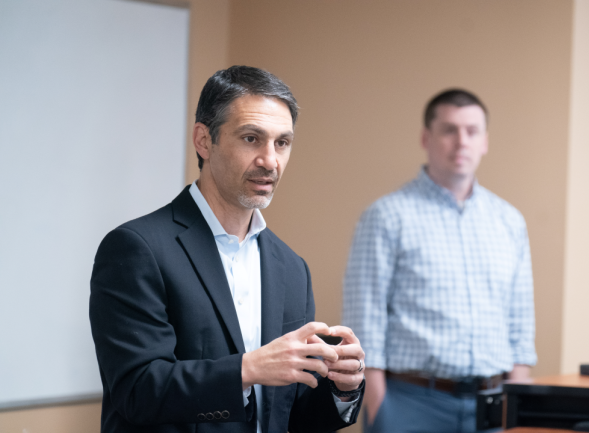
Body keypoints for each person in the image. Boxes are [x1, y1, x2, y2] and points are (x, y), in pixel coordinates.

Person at [89, 66, 365, 433]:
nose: (271, 161)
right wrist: (249, 369)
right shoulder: (136, 248)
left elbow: (288, 415)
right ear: (204, 140)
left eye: (282, 142)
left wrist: (342, 388)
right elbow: (137, 391)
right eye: (252, 138)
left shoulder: (292, 267)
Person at [342, 89, 536, 433]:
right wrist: (379, 404)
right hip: (410, 404)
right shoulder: (387, 216)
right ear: (426, 138)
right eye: (449, 130)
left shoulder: (509, 221)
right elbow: (364, 321)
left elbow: (520, 324)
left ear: (485, 141)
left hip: (492, 406)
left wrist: (515, 406)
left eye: (472, 131)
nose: (461, 141)